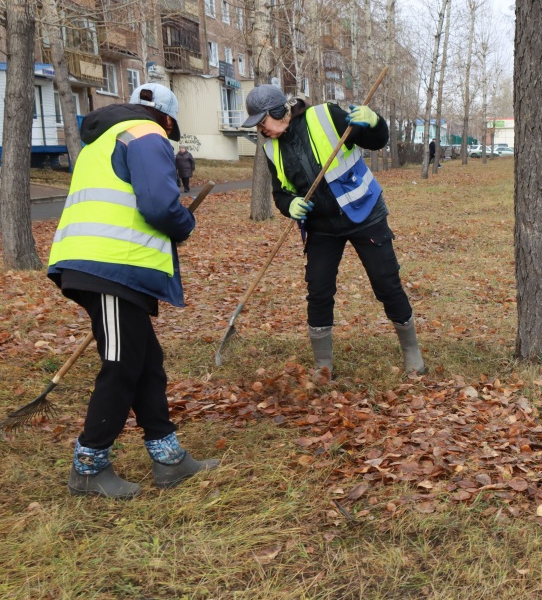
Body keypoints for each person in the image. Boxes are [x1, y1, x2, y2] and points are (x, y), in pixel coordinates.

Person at [48, 83, 219, 497]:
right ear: (167, 119)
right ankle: (88, 466)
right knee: (123, 364)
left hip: (109, 264)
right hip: (109, 266)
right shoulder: (146, 134)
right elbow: (159, 205)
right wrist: (185, 223)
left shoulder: (108, 135)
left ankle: (169, 459)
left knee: (146, 363)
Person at [242, 84, 425, 377]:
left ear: (280, 113)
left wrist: (375, 121)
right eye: (258, 126)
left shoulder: (325, 116)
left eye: (264, 123)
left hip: (364, 212)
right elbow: (280, 193)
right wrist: (290, 205)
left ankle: (412, 352)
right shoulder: (271, 148)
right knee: (319, 290)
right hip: (321, 226)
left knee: (386, 281)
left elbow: (377, 141)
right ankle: (323, 364)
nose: (263, 131)